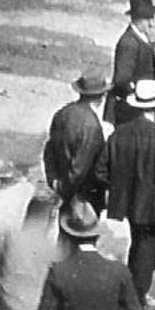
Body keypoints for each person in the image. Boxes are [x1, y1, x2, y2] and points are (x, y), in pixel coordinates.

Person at [99, 78, 155, 308]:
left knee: (138, 246)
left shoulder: (119, 134)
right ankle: (135, 299)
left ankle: (132, 293)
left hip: (129, 203)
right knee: (150, 252)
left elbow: (102, 170)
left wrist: (119, 188)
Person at [43, 73, 110, 210]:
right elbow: (80, 168)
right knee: (82, 230)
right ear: (101, 97)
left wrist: (54, 181)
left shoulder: (62, 113)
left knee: (64, 227)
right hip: (84, 195)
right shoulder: (91, 125)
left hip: (61, 184)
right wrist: (65, 188)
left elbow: (49, 149)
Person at [111, 0, 155, 120]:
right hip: (130, 108)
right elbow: (122, 79)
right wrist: (141, 95)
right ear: (137, 19)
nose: (152, 23)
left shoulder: (141, 36)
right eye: (148, 19)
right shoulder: (129, 43)